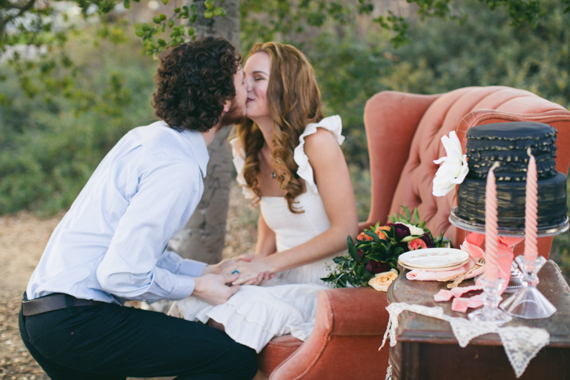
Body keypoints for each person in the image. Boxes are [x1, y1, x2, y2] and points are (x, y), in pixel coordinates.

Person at [18, 37, 259, 380]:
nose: (248, 85)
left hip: (41, 317)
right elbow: (121, 274)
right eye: (241, 80)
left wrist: (204, 272)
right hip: (78, 323)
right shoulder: (177, 167)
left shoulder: (148, 138)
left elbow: (135, 251)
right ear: (222, 101)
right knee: (231, 359)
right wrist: (197, 288)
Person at [174, 42, 358, 357]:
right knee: (200, 297)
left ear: (286, 87)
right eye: (244, 77)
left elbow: (345, 233)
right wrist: (253, 269)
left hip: (329, 286)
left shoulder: (318, 143)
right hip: (281, 277)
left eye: (257, 77)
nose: (245, 85)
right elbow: (271, 220)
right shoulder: (248, 149)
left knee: (238, 310)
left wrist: (267, 264)